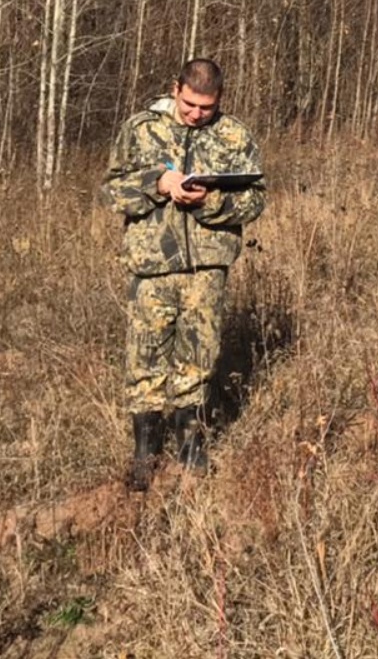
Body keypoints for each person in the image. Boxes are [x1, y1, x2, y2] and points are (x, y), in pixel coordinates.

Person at [101, 59, 267, 491]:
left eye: (206, 108)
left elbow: (255, 200)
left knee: (199, 358)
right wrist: (158, 184)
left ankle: (191, 448)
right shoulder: (140, 129)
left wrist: (210, 203)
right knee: (145, 359)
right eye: (190, 104)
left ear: (220, 101)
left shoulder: (234, 135)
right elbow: (111, 190)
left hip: (206, 268)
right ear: (175, 89)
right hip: (152, 266)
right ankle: (145, 455)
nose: (197, 114)